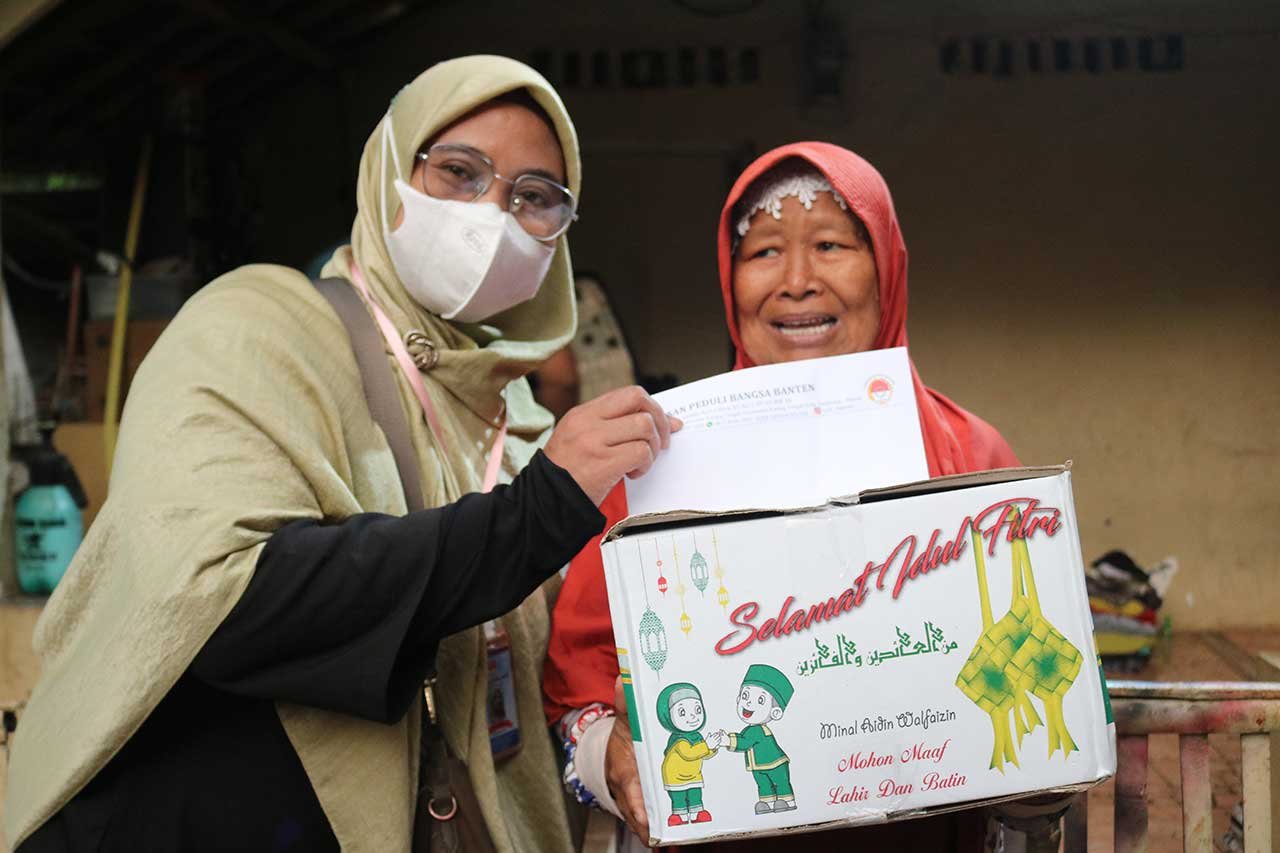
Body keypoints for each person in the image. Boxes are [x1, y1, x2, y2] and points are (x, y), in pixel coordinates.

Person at [5, 56, 680, 853]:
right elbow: (220, 605)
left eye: (535, 198)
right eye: (459, 172)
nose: (492, 215)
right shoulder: (256, 333)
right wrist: (530, 517)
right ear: (388, 170)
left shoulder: (523, 422)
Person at [543, 142, 1020, 850]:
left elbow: (1026, 645)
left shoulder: (968, 454)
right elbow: (579, 671)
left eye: (830, 245)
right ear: (730, 280)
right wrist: (608, 754)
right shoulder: (656, 465)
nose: (797, 282)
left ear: (886, 270)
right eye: (765, 251)